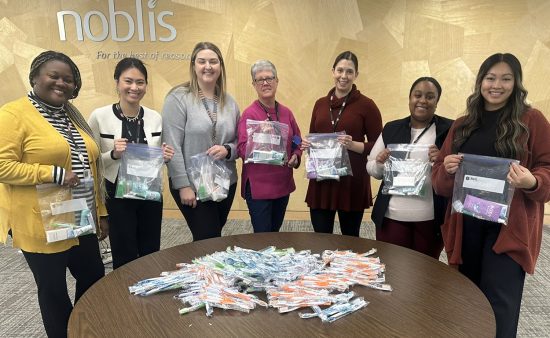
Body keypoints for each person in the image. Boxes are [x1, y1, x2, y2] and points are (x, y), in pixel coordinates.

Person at [432, 53, 550, 337]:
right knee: (467, 301)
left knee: (500, 305)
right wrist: (446, 169)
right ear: (480, 81)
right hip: (466, 225)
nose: (497, 85)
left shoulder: (531, 120)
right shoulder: (462, 124)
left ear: (516, 83)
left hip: (508, 230)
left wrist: (531, 180)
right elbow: (439, 182)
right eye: (491, 78)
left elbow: (547, 168)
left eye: (506, 78)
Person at [0, 51, 108, 338]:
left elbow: (89, 167)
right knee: (53, 290)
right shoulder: (14, 113)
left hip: (78, 213)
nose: (62, 83)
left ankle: (84, 328)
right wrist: (53, 174)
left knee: (93, 276)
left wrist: (100, 212)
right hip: (39, 220)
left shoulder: (72, 116)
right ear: (35, 77)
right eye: (54, 76)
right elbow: (2, 166)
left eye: (69, 79)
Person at [88, 57, 174, 269]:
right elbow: (91, 159)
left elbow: (155, 155)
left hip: (149, 191)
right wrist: (113, 155)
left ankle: (149, 290)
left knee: (151, 247)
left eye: (140, 82)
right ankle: (124, 296)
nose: (134, 87)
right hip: (116, 192)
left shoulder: (155, 117)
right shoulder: (100, 116)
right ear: (117, 82)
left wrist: (164, 156)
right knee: (123, 248)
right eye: (128, 81)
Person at [367, 77, 453, 258]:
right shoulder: (392, 128)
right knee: (392, 270)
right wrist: (381, 164)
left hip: (430, 219)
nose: (422, 100)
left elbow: (456, 170)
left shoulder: (450, 130)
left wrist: (441, 160)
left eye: (430, 97)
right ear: (409, 98)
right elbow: (372, 168)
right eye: (417, 95)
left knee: (426, 274)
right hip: (392, 216)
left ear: (437, 102)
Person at [162, 42, 240, 241]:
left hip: (224, 183)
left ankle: (206, 271)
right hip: (193, 186)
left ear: (220, 66)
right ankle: (202, 272)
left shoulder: (229, 102)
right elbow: (172, 146)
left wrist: (227, 149)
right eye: (202, 61)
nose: (208, 66)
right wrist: (183, 186)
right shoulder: (178, 98)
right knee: (208, 238)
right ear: (193, 65)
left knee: (212, 236)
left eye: (213, 61)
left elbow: (239, 142)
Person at [302, 51, 382, 237]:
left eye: (349, 71)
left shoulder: (367, 105)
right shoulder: (320, 104)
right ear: (333, 72)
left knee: (350, 239)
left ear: (356, 75)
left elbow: (378, 146)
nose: (343, 76)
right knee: (320, 239)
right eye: (340, 70)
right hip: (322, 179)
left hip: (351, 182)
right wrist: (308, 144)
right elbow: (313, 135)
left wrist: (354, 145)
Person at [237, 60, 302, 232]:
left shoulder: (287, 112)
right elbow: (242, 149)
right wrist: (260, 136)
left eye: (269, 78)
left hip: (282, 184)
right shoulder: (249, 114)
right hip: (259, 187)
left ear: (277, 81)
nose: (265, 83)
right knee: (263, 237)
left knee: (275, 233)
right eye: (260, 79)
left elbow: (296, 139)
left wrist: (296, 155)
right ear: (254, 84)